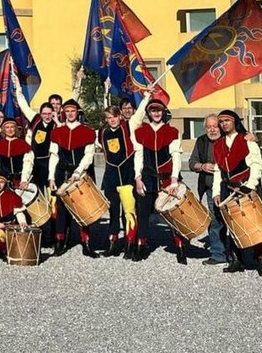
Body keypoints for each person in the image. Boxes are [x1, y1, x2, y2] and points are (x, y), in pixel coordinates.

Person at [212, 109, 262, 277]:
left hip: (246, 187)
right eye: (221, 121)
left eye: (227, 120)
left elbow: (256, 164)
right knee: (232, 224)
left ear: (234, 122)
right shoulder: (218, 145)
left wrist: (249, 186)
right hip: (227, 189)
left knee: (254, 223)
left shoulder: (246, 140)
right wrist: (216, 192)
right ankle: (236, 260)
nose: (224, 124)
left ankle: (260, 260)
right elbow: (218, 171)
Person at [133, 98, 185, 263]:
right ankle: (141, 245)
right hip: (147, 178)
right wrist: (137, 177)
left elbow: (176, 157)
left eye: (159, 110)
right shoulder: (141, 132)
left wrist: (174, 179)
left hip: (167, 179)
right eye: (153, 110)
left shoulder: (172, 131)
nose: (156, 113)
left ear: (163, 112)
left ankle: (180, 246)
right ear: (149, 113)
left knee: (173, 213)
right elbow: (138, 156)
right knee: (142, 213)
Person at [48, 98, 98, 257]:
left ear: (78, 112)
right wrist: (51, 177)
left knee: (83, 207)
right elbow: (54, 156)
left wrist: (78, 172)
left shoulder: (87, 132)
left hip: (80, 173)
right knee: (61, 209)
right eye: (67, 111)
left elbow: (88, 156)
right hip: (62, 173)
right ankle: (60, 242)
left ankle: (86, 243)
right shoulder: (57, 132)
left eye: (73, 111)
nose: (70, 114)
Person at [99, 102, 141, 259]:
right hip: (111, 179)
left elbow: (139, 115)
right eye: (109, 117)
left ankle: (130, 244)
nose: (112, 120)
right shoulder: (102, 132)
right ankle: (113, 244)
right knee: (113, 213)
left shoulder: (128, 127)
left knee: (129, 212)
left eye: (114, 116)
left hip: (126, 177)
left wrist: (146, 97)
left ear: (120, 116)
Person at [188, 114, 227, 265]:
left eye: (215, 126)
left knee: (233, 220)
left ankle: (237, 252)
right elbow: (192, 163)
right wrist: (202, 166)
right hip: (210, 188)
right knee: (215, 220)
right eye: (209, 127)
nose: (212, 130)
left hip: (229, 187)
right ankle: (218, 254)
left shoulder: (227, 139)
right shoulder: (201, 141)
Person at [0, 119, 33, 188]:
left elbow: (28, 164)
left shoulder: (24, 145)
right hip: (3, 181)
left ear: (16, 128)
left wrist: (24, 180)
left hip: (19, 181)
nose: (10, 130)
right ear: (3, 129)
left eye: (12, 127)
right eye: (7, 127)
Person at [26, 103, 56, 192]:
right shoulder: (36, 123)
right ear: (40, 114)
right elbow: (24, 106)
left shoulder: (56, 125)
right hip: (34, 163)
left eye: (49, 114)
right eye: (44, 114)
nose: (47, 116)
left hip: (49, 163)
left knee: (50, 191)